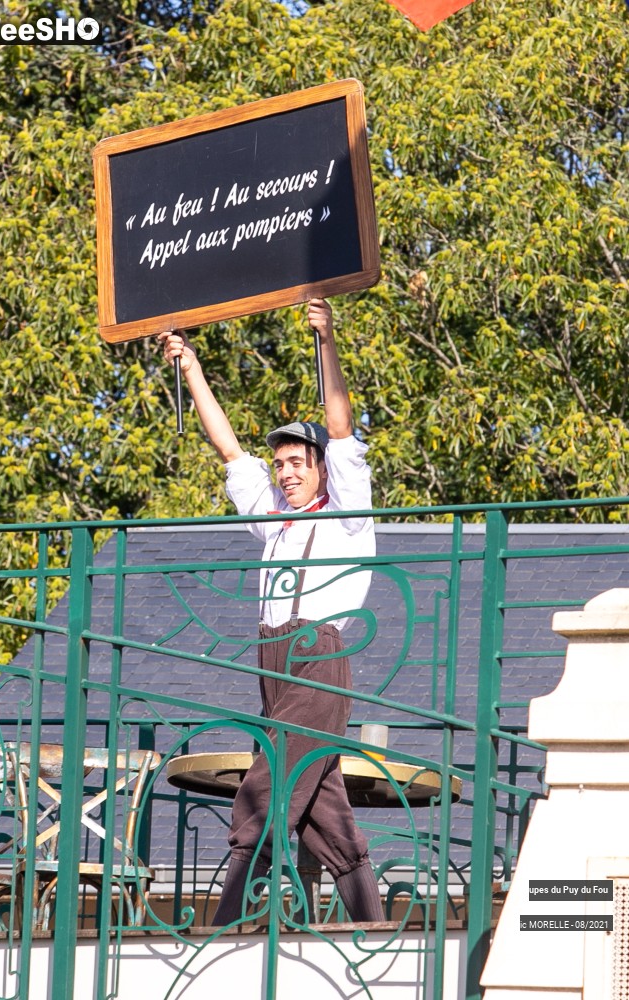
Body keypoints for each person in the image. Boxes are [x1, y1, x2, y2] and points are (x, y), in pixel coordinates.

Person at [159, 299, 383, 925]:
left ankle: (227, 919)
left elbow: (339, 427)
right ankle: (368, 917)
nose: (285, 473)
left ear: (320, 471)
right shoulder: (275, 524)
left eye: (295, 464)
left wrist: (328, 339)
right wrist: (193, 367)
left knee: (268, 783)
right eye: (279, 464)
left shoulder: (346, 514)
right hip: (273, 662)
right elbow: (230, 451)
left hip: (318, 655)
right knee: (320, 802)